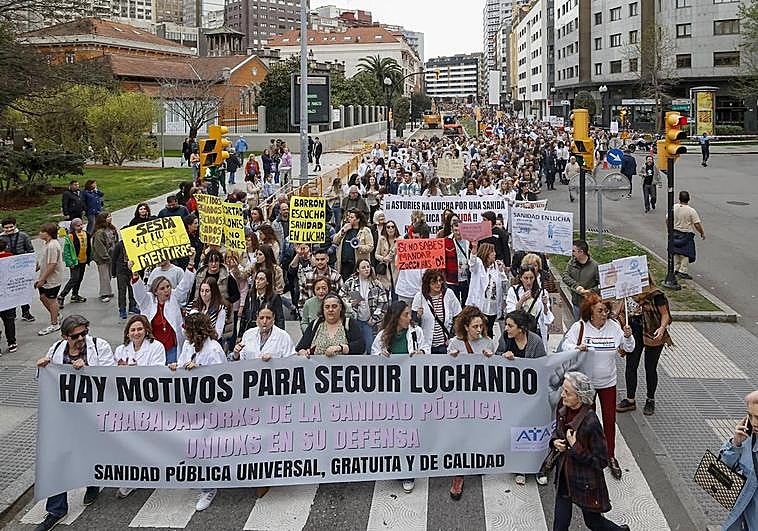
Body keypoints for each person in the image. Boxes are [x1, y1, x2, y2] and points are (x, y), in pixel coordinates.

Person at [34, 315, 115, 531]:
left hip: (91, 414)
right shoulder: (56, 349)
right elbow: (46, 381)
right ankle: (56, 510)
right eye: (75, 336)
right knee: (57, 459)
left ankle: (92, 482)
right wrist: (42, 367)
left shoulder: (100, 346)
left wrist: (88, 367)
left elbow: (112, 376)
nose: (81, 339)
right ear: (64, 336)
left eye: (84, 334)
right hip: (63, 416)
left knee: (88, 453)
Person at [563, 293, 635, 480]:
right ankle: (587, 452)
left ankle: (610, 456)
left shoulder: (614, 327)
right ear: (590, 312)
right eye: (600, 311)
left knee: (610, 421)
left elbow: (629, 348)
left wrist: (628, 337)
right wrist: (577, 348)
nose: (604, 314)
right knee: (588, 422)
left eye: (606, 310)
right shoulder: (580, 327)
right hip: (587, 385)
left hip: (608, 382)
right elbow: (565, 346)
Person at [550, 371, 630, 531]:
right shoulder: (563, 406)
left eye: (567, 392)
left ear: (579, 397)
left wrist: (575, 447)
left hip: (584, 482)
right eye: (563, 390)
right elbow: (557, 431)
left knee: (593, 522)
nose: (562, 395)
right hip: (565, 476)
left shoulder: (591, 422)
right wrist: (554, 442)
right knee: (560, 524)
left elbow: (601, 461)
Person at [371, 300, 429, 494]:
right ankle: (394, 464)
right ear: (396, 317)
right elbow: (372, 357)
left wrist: (422, 353)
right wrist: (381, 355)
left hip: (411, 390)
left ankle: (408, 471)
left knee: (409, 430)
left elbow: (427, 349)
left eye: (409, 314)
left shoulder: (416, 332)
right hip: (391, 393)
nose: (409, 318)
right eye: (405, 314)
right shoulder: (382, 336)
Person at [172, 312, 226, 511]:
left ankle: (209, 487)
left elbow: (223, 378)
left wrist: (201, 369)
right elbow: (181, 364)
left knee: (203, 448)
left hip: (209, 409)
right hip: (190, 405)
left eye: (187, 328)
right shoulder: (188, 346)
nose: (184, 331)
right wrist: (174, 368)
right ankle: (205, 478)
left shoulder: (213, 349)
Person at [496, 309, 548, 486]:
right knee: (517, 430)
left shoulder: (535, 341)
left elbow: (543, 367)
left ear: (521, 329)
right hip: (512, 396)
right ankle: (520, 466)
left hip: (532, 395)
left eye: (510, 326)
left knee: (535, 431)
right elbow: (496, 358)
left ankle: (539, 466)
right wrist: (503, 357)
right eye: (506, 325)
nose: (506, 328)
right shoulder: (505, 339)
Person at [615, 279, 673, 416]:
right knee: (631, 365)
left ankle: (650, 399)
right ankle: (630, 399)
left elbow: (665, 314)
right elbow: (620, 310)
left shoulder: (656, 294)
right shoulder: (627, 292)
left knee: (650, 367)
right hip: (634, 330)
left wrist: (662, 328)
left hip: (652, 331)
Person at [131, 250, 196, 364]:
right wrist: (135, 274)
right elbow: (139, 292)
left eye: (168, 287)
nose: (167, 290)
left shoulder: (174, 297)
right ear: (155, 291)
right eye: (162, 288)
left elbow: (185, 285)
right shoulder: (148, 301)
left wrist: (191, 261)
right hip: (153, 348)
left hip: (172, 347)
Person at [719, 390, 758, 530]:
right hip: (747, 520)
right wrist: (735, 444)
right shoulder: (747, 439)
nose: (753, 423)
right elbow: (722, 471)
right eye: (750, 416)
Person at [339, 259, 388, 354]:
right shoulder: (350, 282)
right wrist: (349, 303)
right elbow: (340, 297)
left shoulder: (376, 284)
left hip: (369, 322)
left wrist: (374, 319)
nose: (366, 269)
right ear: (358, 270)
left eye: (368, 267)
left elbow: (383, 303)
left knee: (371, 348)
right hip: (354, 320)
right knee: (355, 349)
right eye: (363, 267)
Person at [296, 292, 365, 356]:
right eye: (327, 307)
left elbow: (361, 346)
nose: (330, 310)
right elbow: (300, 347)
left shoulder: (349, 323)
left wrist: (340, 348)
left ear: (340, 307)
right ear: (323, 309)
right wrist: (303, 352)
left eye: (334, 306)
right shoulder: (315, 324)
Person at [412, 268, 461, 354]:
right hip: (426, 347)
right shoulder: (419, 297)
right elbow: (413, 324)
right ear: (428, 283)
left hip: (444, 345)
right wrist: (418, 316)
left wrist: (452, 337)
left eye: (440, 280)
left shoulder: (449, 294)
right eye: (434, 282)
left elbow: (458, 316)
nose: (438, 284)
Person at [505, 265, 554, 351]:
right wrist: (521, 301)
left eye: (531, 278)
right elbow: (511, 315)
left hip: (536, 332)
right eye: (526, 278)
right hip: (519, 332)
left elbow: (547, 317)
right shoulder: (513, 291)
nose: (529, 281)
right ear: (520, 278)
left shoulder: (542, 292)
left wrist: (545, 305)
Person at [466, 241, 504, 338]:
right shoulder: (479, 264)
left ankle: (488, 349)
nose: (495, 254)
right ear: (487, 253)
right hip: (479, 305)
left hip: (492, 306)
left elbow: (503, 284)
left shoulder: (496, 267)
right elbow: (472, 263)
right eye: (492, 252)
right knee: (479, 330)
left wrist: (501, 271)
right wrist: (474, 249)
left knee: (489, 329)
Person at [1, 216, 35, 321]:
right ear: (2, 228)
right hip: (6, 270)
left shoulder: (23, 236)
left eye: (11, 227)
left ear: (15, 225)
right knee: (10, 291)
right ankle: (11, 313)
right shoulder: (1, 238)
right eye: (6, 228)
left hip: (22, 268)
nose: (9, 229)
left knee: (23, 291)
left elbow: (30, 251)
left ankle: (26, 312)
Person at [35, 223, 65, 336]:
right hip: (44, 278)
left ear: (48, 234)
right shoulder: (46, 244)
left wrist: (42, 279)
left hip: (52, 279)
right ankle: (56, 314)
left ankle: (54, 323)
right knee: (43, 297)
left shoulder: (53, 246)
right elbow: (43, 262)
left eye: (42, 231)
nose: (39, 233)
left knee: (52, 301)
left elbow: (52, 264)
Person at [671, 190, 705, 280]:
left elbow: (667, 219)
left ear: (679, 198)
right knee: (686, 253)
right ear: (688, 199)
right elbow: (697, 224)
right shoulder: (691, 211)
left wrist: (669, 229)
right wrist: (702, 232)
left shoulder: (674, 207)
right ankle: (683, 271)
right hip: (686, 234)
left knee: (676, 252)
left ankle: (676, 268)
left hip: (674, 232)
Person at [562, 239, 600, 320]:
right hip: (576, 303)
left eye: (573, 251)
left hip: (589, 304)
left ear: (581, 252)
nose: (571, 253)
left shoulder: (595, 266)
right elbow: (565, 276)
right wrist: (576, 286)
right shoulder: (572, 262)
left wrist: (590, 291)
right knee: (578, 327)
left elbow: (601, 286)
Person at [239, 268, 285, 333]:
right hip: (251, 330)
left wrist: (280, 335)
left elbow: (280, 319)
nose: (257, 281)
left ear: (267, 282)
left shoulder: (275, 297)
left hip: (268, 330)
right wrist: (240, 335)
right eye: (257, 278)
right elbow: (244, 316)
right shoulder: (250, 294)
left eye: (261, 279)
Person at [334, 209, 374, 281]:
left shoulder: (365, 230)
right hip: (344, 263)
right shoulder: (345, 228)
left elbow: (370, 247)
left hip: (357, 264)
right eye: (349, 217)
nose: (349, 219)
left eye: (352, 217)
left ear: (358, 219)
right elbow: (335, 241)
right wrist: (343, 231)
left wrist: (358, 247)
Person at [59, 218, 90, 307]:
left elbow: (88, 247)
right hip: (74, 262)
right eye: (78, 225)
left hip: (83, 260)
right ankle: (61, 296)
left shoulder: (86, 234)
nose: (80, 227)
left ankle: (75, 294)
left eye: (81, 224)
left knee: (79, 278)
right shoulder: (70, 236)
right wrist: (69, 262)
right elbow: (67, 251)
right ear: (73, 227)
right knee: (74, 279)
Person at [91, 212, 117, 303]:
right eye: (108, 217)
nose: (110, 218)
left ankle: (108, 291)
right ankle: (104, 293)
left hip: (111, 255)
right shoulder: (99, 232)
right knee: (104, 275)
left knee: (109, 274)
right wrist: (105, 256)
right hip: (103, 258)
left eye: (110, 216)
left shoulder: (111, 228)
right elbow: (99, 246)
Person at [111, 240, 139, 320]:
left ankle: (132, 306)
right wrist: (113, 272)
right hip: (121, 271)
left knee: (132, 289)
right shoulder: (119, 245)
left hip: (132, 270)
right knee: (122, 290)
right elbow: (114, 259)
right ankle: (122, 309)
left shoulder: (134, 243)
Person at [375, 220, 399, 296]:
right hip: (384, 270)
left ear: (395, 228)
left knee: (395, 292)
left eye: (392, 227)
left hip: (396, 269)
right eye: (388, 227)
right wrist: (383, 258)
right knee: (384, 292)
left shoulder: (400, 240)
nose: (390, 229)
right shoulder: (381, 239)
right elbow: (376, 254)